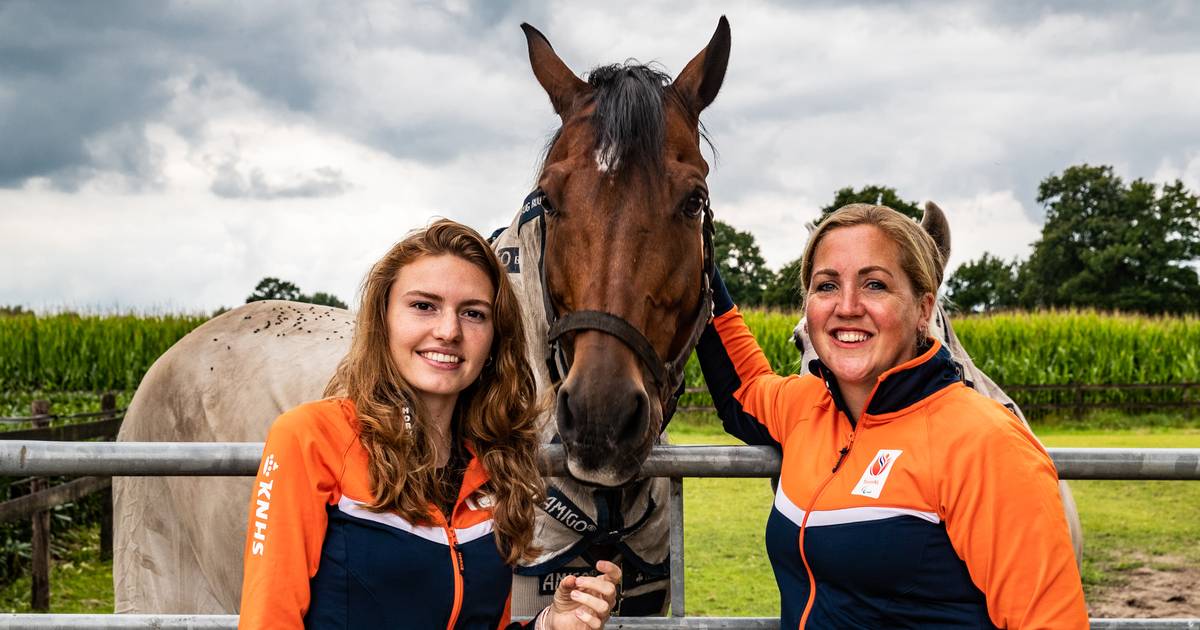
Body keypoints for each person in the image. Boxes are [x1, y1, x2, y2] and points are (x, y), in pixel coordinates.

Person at [696, 204, 1088, 628]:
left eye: (875, 285)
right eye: (826, 285)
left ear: (924, 310)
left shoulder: (985, 441)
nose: (846, 306)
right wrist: (697, 252)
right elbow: (744, 387)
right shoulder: (807, 408)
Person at [238, 219, 619, 629]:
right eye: (423, 306)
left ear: (495, 338)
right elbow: (268, 619)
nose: (448, 331)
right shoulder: (310, 438)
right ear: (383, 319)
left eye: (473, 313)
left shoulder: (496, 462)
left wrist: (550, 624)